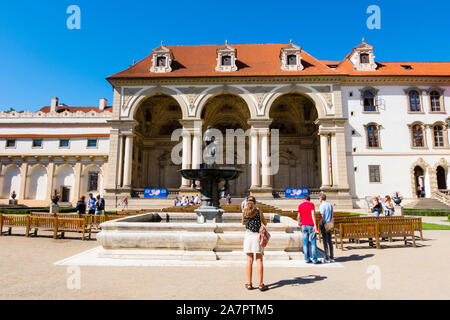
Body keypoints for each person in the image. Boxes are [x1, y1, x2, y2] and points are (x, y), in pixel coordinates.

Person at [242, 196, 268, 291]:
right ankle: (261, 284)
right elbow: (265, 223)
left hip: (248, 236)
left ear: (247, 202)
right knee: (259, 260)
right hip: (257, 237)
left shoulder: (245, 211)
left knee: (249, 261)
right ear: (255, 202)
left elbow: (243, 223)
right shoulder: (259, 211)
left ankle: (249, 284)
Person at [298, 194, 321, 264]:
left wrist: (299, 222)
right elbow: (313, 214)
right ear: (309, 199)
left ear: (303, 199)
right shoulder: (311, 204)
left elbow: (298, 216)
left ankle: (307, 259)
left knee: (305, 243)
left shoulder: (300, 206)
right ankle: (314, 259)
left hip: (304, 225)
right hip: (311, 225)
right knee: (313, 243)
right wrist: (315, 225)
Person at [318, 193, 334, 263]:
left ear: (321, 199)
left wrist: (319, 223)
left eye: (319, 198)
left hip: (324, 224)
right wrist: (332, 223)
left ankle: (327, 257)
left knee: (325, 241)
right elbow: (332, 216)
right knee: (330, 240)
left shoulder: (322, 205)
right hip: (329, 223)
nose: (319, 199)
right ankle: (332, 256)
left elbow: (322, 216)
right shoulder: (330, 205)